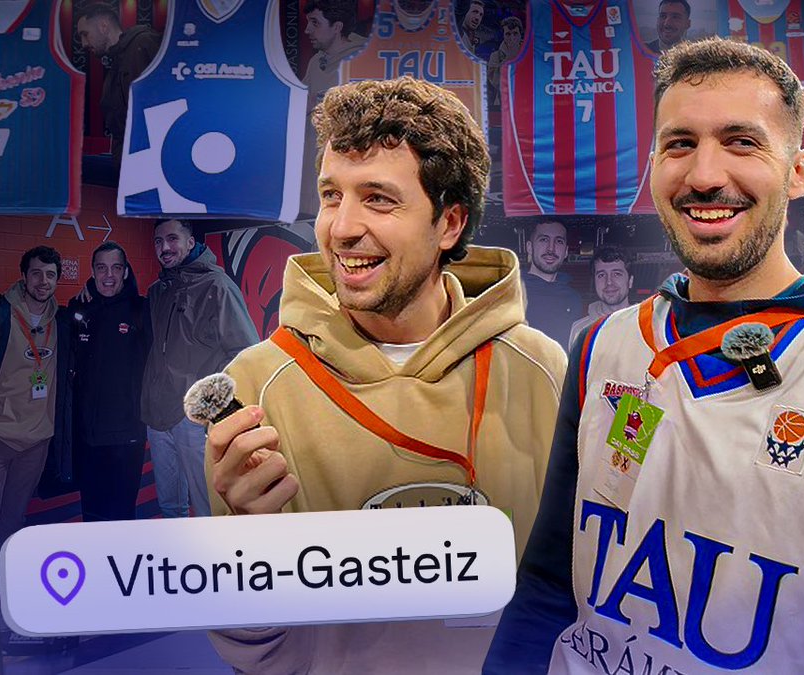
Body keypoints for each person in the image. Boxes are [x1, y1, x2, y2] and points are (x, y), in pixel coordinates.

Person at [485, 37, 804, 673]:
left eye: (741, 142)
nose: (704, 175)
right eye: (679, 144)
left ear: (799, 170)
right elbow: (551, 583)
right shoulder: (602, 346)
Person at [204, 76, 566, 674]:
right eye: (330, 195)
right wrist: (246, 556)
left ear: (450, 225)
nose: (340, 228)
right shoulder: (256, 385)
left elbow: (574, 586)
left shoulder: (540, 370)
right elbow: (251, 645)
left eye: (378, 198)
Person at [0, 248, 73, 618]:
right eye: (36, 274)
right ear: (23, 277)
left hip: (36, 442)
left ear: (58, 279)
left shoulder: (65, 321)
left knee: (12, 520)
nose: (43, 282)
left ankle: (0, 583)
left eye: (50, 274)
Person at [144, 219, 258, 518]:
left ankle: (212, 562)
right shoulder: (158, 291)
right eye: (158, 241)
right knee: (170, 504)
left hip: (193, 421)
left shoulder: (217, 287)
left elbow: (245, 354)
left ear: (190, 242)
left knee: (207, 504)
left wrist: (209, 411)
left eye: (172, 239)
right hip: (158, 416)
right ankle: (179, 557)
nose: (164, 247)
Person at [67, 243, 150, 522]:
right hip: (87, 436)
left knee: (122, 514)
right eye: (101, 268)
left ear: (125, 271)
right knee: (91, 512)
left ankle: (121, 564)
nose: (108, 275)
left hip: (127, 435)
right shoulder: (79, 308)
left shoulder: (142, 310)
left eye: (116, 267)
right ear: (92, 271)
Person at [298, 0, 369, 218]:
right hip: (309, 178)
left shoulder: (362, 60)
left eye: (315, 23)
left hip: (344, 178)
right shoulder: (316, 61)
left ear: (337, 27)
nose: (307, 30)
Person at [76, 3, 162, 171]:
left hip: (148, 162)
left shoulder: (143, 44)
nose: (83, 43)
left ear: (103, 26)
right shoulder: (117, 59)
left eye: (85, 34)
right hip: (131, 163)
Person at [522, 220, 583, 351]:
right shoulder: (512, 292)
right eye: (544, 240)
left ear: (566, 251)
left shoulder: (574, 299)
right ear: (529, 247)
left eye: (559, 241)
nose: (551, 248)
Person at [567, 246, 634, 348]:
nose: (609, 282)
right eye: (601, 275)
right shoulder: (580, 330)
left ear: (630, 281)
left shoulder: (648, 326)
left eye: (616, 274)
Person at [487, 15, 523, 107]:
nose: (512, 37)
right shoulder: (495, 56)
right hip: (503, 103)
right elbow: (495, 83)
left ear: (520, 35)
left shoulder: (530, 53)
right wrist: (509, 58)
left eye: (515, 33)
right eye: (508, 34)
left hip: (526, 100)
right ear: (503, 35)